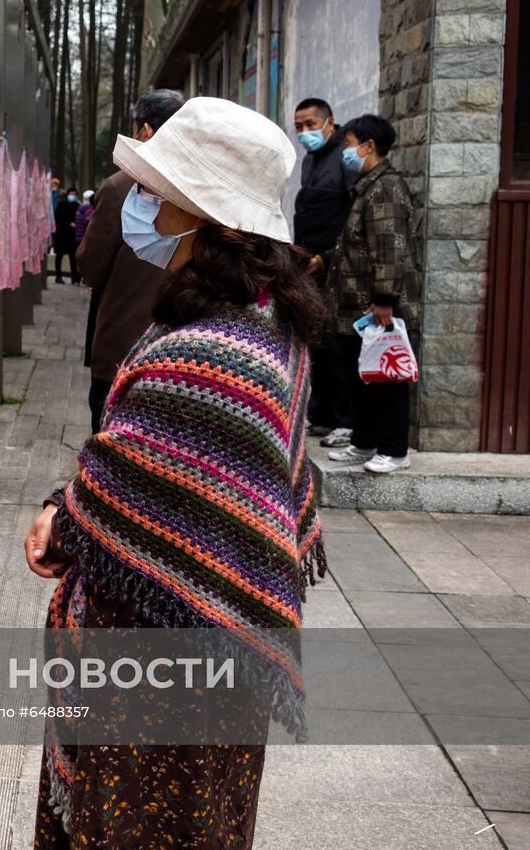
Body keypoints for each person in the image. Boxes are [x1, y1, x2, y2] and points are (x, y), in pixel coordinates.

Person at [26, 97, 326, 849]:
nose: (145, 204)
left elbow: (141, 479)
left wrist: (66, 515)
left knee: (140, 817)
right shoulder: (268, 322)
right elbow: (158, 467)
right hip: (213, 651)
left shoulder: (210, 349)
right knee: (199, 816)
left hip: (158, 654)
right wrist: (73, 503)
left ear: (203, 213)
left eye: (158, 191)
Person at [77, 90, 182, 432]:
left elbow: (91, 267)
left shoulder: (121, 186)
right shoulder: (197, 187)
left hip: (123, 344)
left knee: (111, 442)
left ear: (145, 130)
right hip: (180, 345)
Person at [325, 114, 419, 474]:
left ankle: (394, 450)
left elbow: (390, 248)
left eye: (350, 144)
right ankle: (364, 442)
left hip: (375, 304)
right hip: (355, 305)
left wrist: (384, 300)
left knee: (387, 379)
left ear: (369, 146)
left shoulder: (386, 188)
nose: (346, 152)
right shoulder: (367, 186)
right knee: (361, 375)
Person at [293, 97, 356, 448]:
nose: (305, 133)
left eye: (310, 125)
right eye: (299, 127)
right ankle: (321, 414)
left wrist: (328, 257)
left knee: (337, 344)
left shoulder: (345, 158)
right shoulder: (310, 160)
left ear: (329, 123)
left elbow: (353, 217)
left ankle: (345, 420)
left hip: (336, 267)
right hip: (310, 265)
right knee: (316, 340)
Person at [53, 187, 80, 284]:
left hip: (72, 236)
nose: (73, 196)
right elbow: (58, 218)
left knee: (73, 257)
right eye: (71, 194)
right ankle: (58, 276)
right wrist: (68, 223)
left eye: (74, 194)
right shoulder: (61, 205)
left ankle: (74, 277)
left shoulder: (77, 205)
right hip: (62, 235)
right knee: (59, 256)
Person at [71, 190, 94, 287]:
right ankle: (85, 278)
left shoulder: (79, 209)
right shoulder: (90, 210)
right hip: (86, 239)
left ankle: (76, 279)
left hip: (78, 237)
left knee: (78, 259)